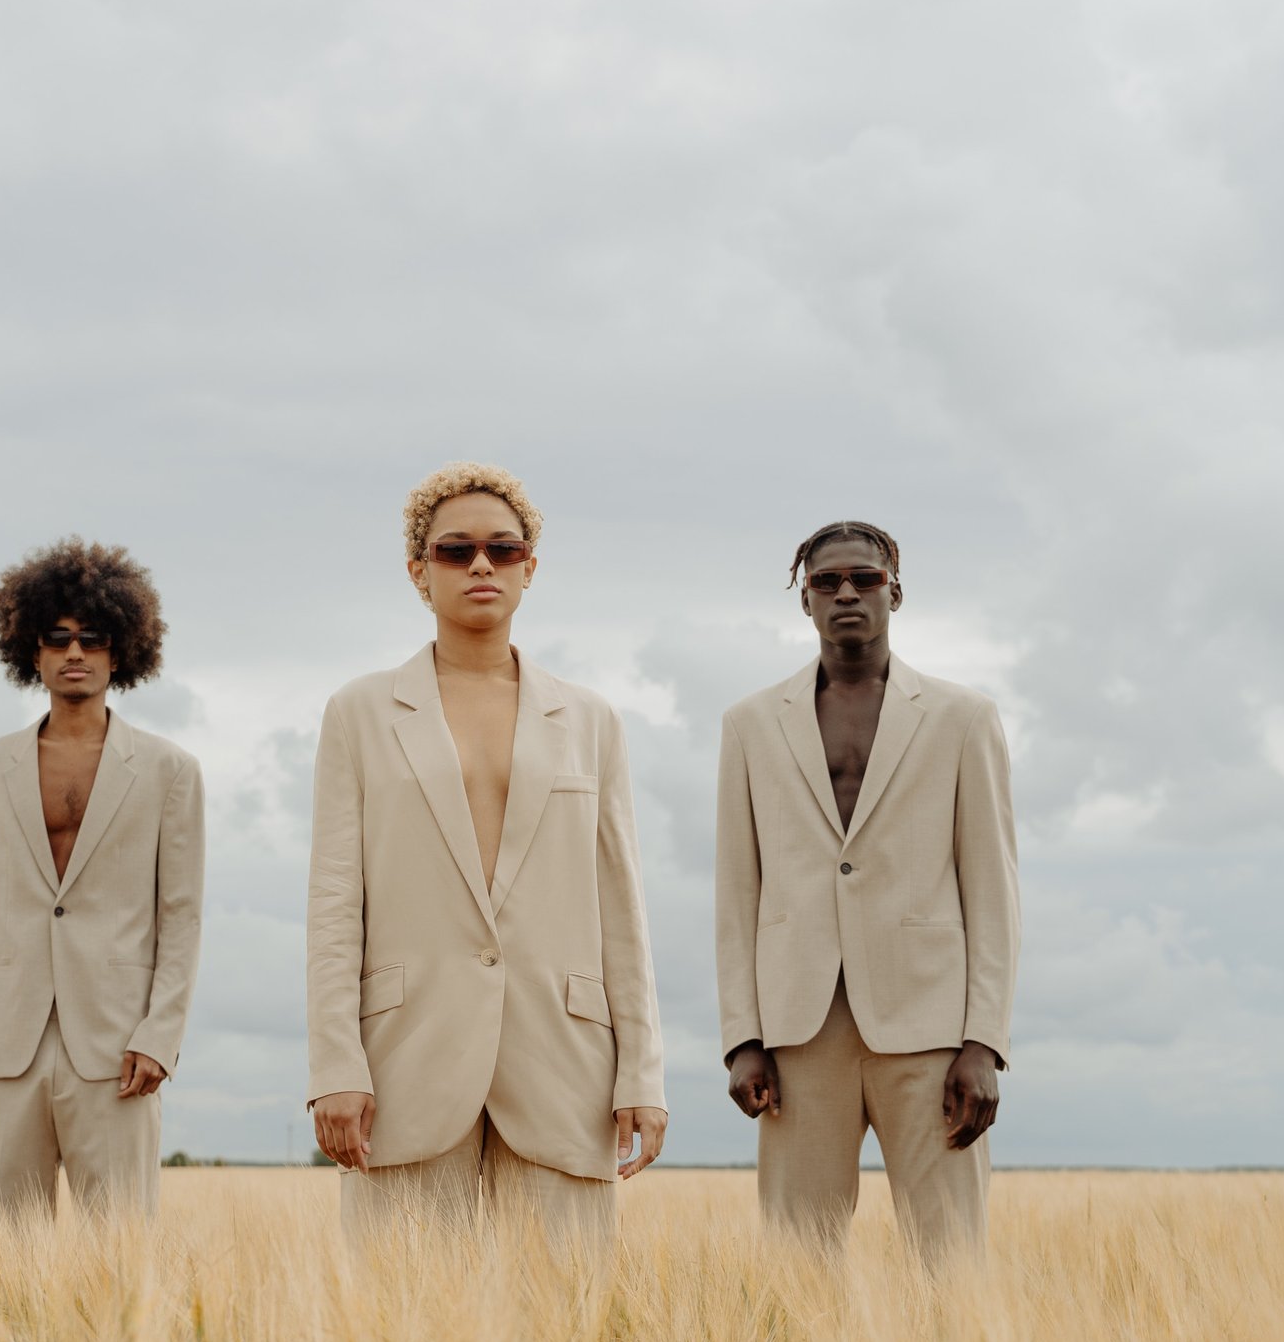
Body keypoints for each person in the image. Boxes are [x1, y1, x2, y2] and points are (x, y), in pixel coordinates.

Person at [306, 462, 669, 1242]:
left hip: (563, 1063)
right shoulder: (359, 712)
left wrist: (642, 1069)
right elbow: (334, 902)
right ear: (418, 572)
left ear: (530, 569)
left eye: (504, 550)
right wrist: (336, 1062)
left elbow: (621, 906)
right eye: (455, 550)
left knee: (560, 1332)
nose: (480, 565)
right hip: (404, 1066)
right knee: (396, 1337)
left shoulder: (592, 720)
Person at [714, 521, 1018, 1260]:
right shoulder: (751, 723)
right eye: (827, 582)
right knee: (796, 1258)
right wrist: (742, 1038)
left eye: (866, 579)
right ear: (805, 602)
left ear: (896, 592)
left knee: (951, 1255)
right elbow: (736, 887)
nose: (847, 593)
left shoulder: (962, 717)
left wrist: (985, 1040)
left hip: (931, 1028)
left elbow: (993, 886)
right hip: (798, 1031)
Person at [0, 538, 204, 1218]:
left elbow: (182, 917)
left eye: (94, 637)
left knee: (120, 1259)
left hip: (119, 1049)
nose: (75, 652)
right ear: (32, 649)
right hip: (6, 1048)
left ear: (123, 650)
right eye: (58, 637)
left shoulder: (171, 771)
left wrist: (159, 1034)